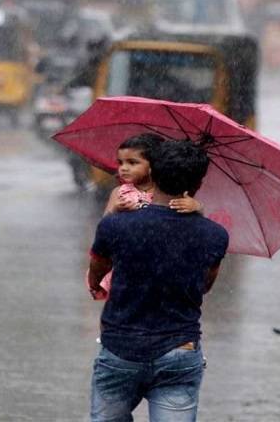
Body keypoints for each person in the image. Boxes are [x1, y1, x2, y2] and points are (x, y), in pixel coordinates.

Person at [86, 140, 229, 422]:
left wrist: (97, 280)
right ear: (198, 184)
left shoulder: (116, 224)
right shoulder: (215, 234)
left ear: (154, 173)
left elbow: (98, 269)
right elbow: (204, 286)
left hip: (120, 349)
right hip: (180, 350)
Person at [90, 134, 203, 301]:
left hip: (158, 257)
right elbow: (104, 226)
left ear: (154, 166)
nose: (124, 168)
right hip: (127, 257)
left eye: (132, 163)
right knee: (120, 301)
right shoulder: (120, 193)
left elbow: (191, 221)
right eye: (120, 163)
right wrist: (115, 209)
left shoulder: (165, 193)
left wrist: (197, 207)